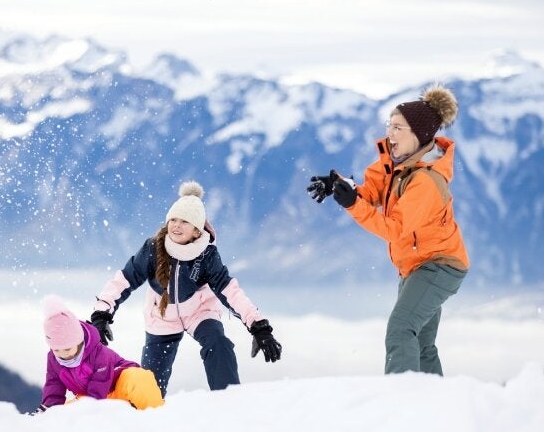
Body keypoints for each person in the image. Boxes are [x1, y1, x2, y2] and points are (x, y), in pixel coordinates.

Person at [307, 84, 469, 375]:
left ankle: (400, 396)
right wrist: (339, 186)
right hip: (419, 265)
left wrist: (352, 205)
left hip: (439, 265)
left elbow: (395, 229)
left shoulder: (425, 182)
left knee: (401, 330)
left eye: (397, 128)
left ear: (418, 134)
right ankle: (435, 397)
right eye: (389, 125)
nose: (389, 134)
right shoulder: (397, 165)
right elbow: (370, 192)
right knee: (421, 343)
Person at [89, 181, 282, 397]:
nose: (176, 226)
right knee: (149, 387)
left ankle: (228, 400)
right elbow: (123, 280)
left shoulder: (207, 255)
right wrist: (101, 314)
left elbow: (230, 291)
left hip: (199, 312)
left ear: (197, 231)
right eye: (173, 219)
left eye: (184, 221)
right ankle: (146, 412)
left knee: (218, 343)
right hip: (161, 316)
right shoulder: (153, 248)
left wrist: (258, 327)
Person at [38, 298, 163, 411]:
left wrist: (90, 410)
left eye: (67, 349)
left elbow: (100, 384)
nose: (62, 354)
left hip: (117, 388)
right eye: (56, 350)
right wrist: (49, 410)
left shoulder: (98, 352)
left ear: (78, 341)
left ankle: (155, 415)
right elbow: (53, 385)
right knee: (65, 413)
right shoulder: (53, 359)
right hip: (91, 397)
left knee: (138, 378)